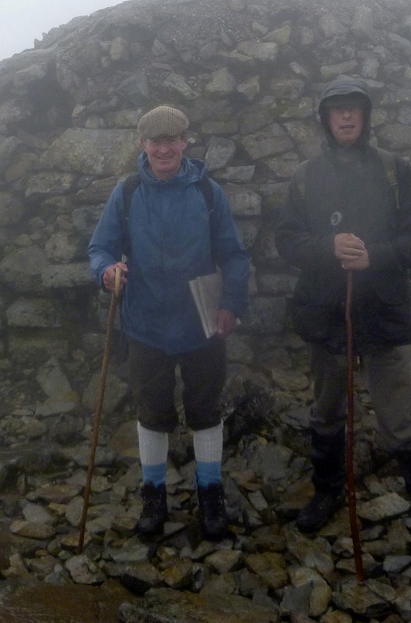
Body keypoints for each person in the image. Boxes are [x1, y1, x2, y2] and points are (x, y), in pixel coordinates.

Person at [275, 77, 411, 579]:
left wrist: (376, 256)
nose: (347, 118)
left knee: (402, 421)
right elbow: (287, 240)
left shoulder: (396, 172)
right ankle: (328, 490)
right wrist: (328, 248)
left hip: (386, 315)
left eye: (354, 110)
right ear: (326, 120)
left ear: (365, 117)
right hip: (326, 313)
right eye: (338, 112)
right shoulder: (306, 177)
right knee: (327, 412)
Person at [88, 105, 251, 540]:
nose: (163, 149)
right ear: (143, 145)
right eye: (154, 141)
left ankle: (210, 494)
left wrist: (231, 304)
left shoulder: (208, 193)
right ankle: (153, 496)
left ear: (184, 142)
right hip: (145, 323)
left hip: (201, 321)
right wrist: (106, 272)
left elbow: (233, 254)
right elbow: (100, 248)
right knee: (152, 412)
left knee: (205, 410)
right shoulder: (125, 193)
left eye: (171, 140)